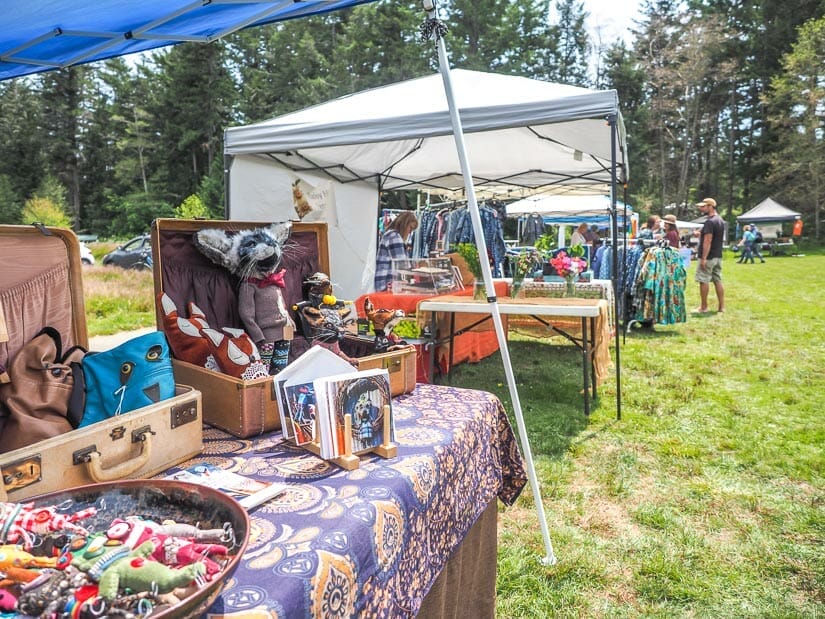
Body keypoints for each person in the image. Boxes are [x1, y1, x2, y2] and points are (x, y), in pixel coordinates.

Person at [374, 211, 418, 292]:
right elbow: (402, 264)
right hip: (387, 285)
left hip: (383, 283)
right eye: (410, 228)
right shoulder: (394, 237)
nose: (410, 232)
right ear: (404, 224)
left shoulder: (390, 234)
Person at [694, 197, 725, 314]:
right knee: (718, 280)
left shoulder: (709, 222)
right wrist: (701, 233)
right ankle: (721, 307)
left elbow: (708, 241)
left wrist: (704, 258)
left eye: (703, 206)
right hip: (718, 256)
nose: (701, 208)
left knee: (703, 280)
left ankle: (703, 307)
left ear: (710, 207)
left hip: (709, 256)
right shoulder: (720, 220)